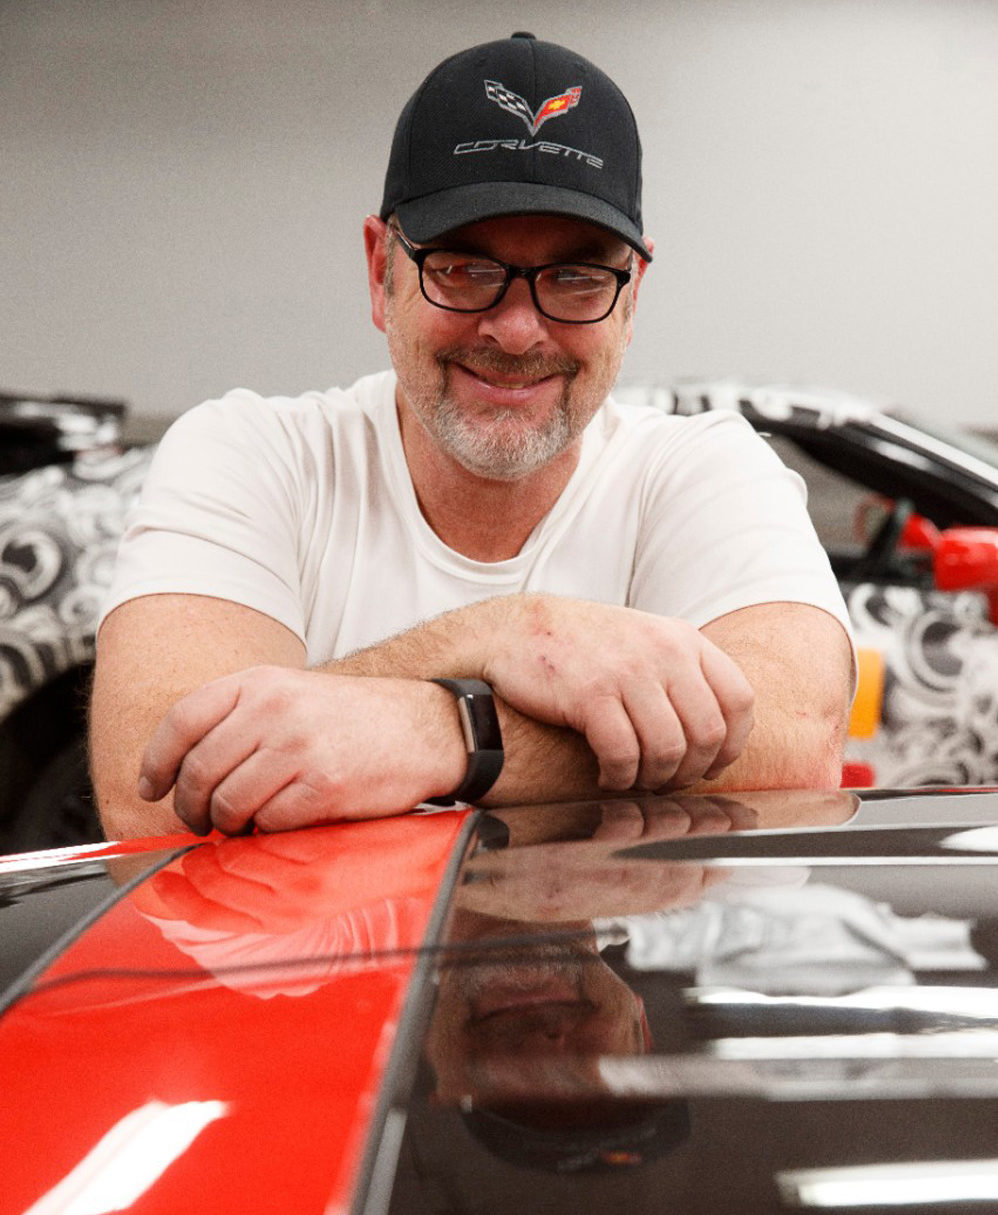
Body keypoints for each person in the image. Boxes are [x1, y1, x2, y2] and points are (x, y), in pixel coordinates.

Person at [90, 32, 855, 840]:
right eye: (462, 267)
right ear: (380, 270)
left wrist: (447, 733)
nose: (519, 329)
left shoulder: (703, 472)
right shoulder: (251, 456)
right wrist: (496, 633)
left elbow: (797, 742)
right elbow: (151, 795)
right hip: (307, 972)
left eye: (576, 276)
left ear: (632, 300)